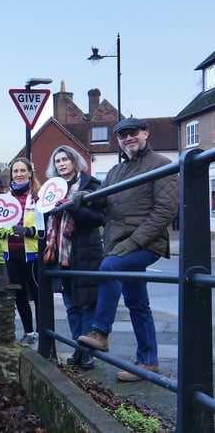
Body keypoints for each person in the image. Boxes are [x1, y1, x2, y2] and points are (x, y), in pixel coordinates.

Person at [77, 117, 179, 381]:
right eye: (122, 136)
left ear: (146, 133)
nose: (127, 139)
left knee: (109, 266)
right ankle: (148, 362)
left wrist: (133, 243)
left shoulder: (162, 165)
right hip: (119, 242)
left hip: (145, 243)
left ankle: (100, 331)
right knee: (137, 303)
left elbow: (165, 210)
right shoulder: (115, 172)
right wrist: (82, 198)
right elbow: (101, 201)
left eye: (132, 133)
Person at [44, 146, 104, 369]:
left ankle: (86, 351)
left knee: (87, 304)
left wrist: (73, 208)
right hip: (61, 253)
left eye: (65, 159)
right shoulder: (52, 190)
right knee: (70, 305)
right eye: (57, 161)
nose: (61, 164)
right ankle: (78, 348)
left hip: (84, 252)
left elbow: (99, 219)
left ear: (74, 161)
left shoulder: (92, 186)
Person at [1, 158, 42, 344]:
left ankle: (43, 333)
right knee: (18, 294)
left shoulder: (38, 195)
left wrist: (30, 232)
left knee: (38, 293)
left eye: (22, 170)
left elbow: (46, 225)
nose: (18, 174)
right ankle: (29, 331)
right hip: (10, 252)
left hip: (31, 253)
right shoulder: (6, 198)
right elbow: (0, 221)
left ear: (30, 172)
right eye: (15, 171)